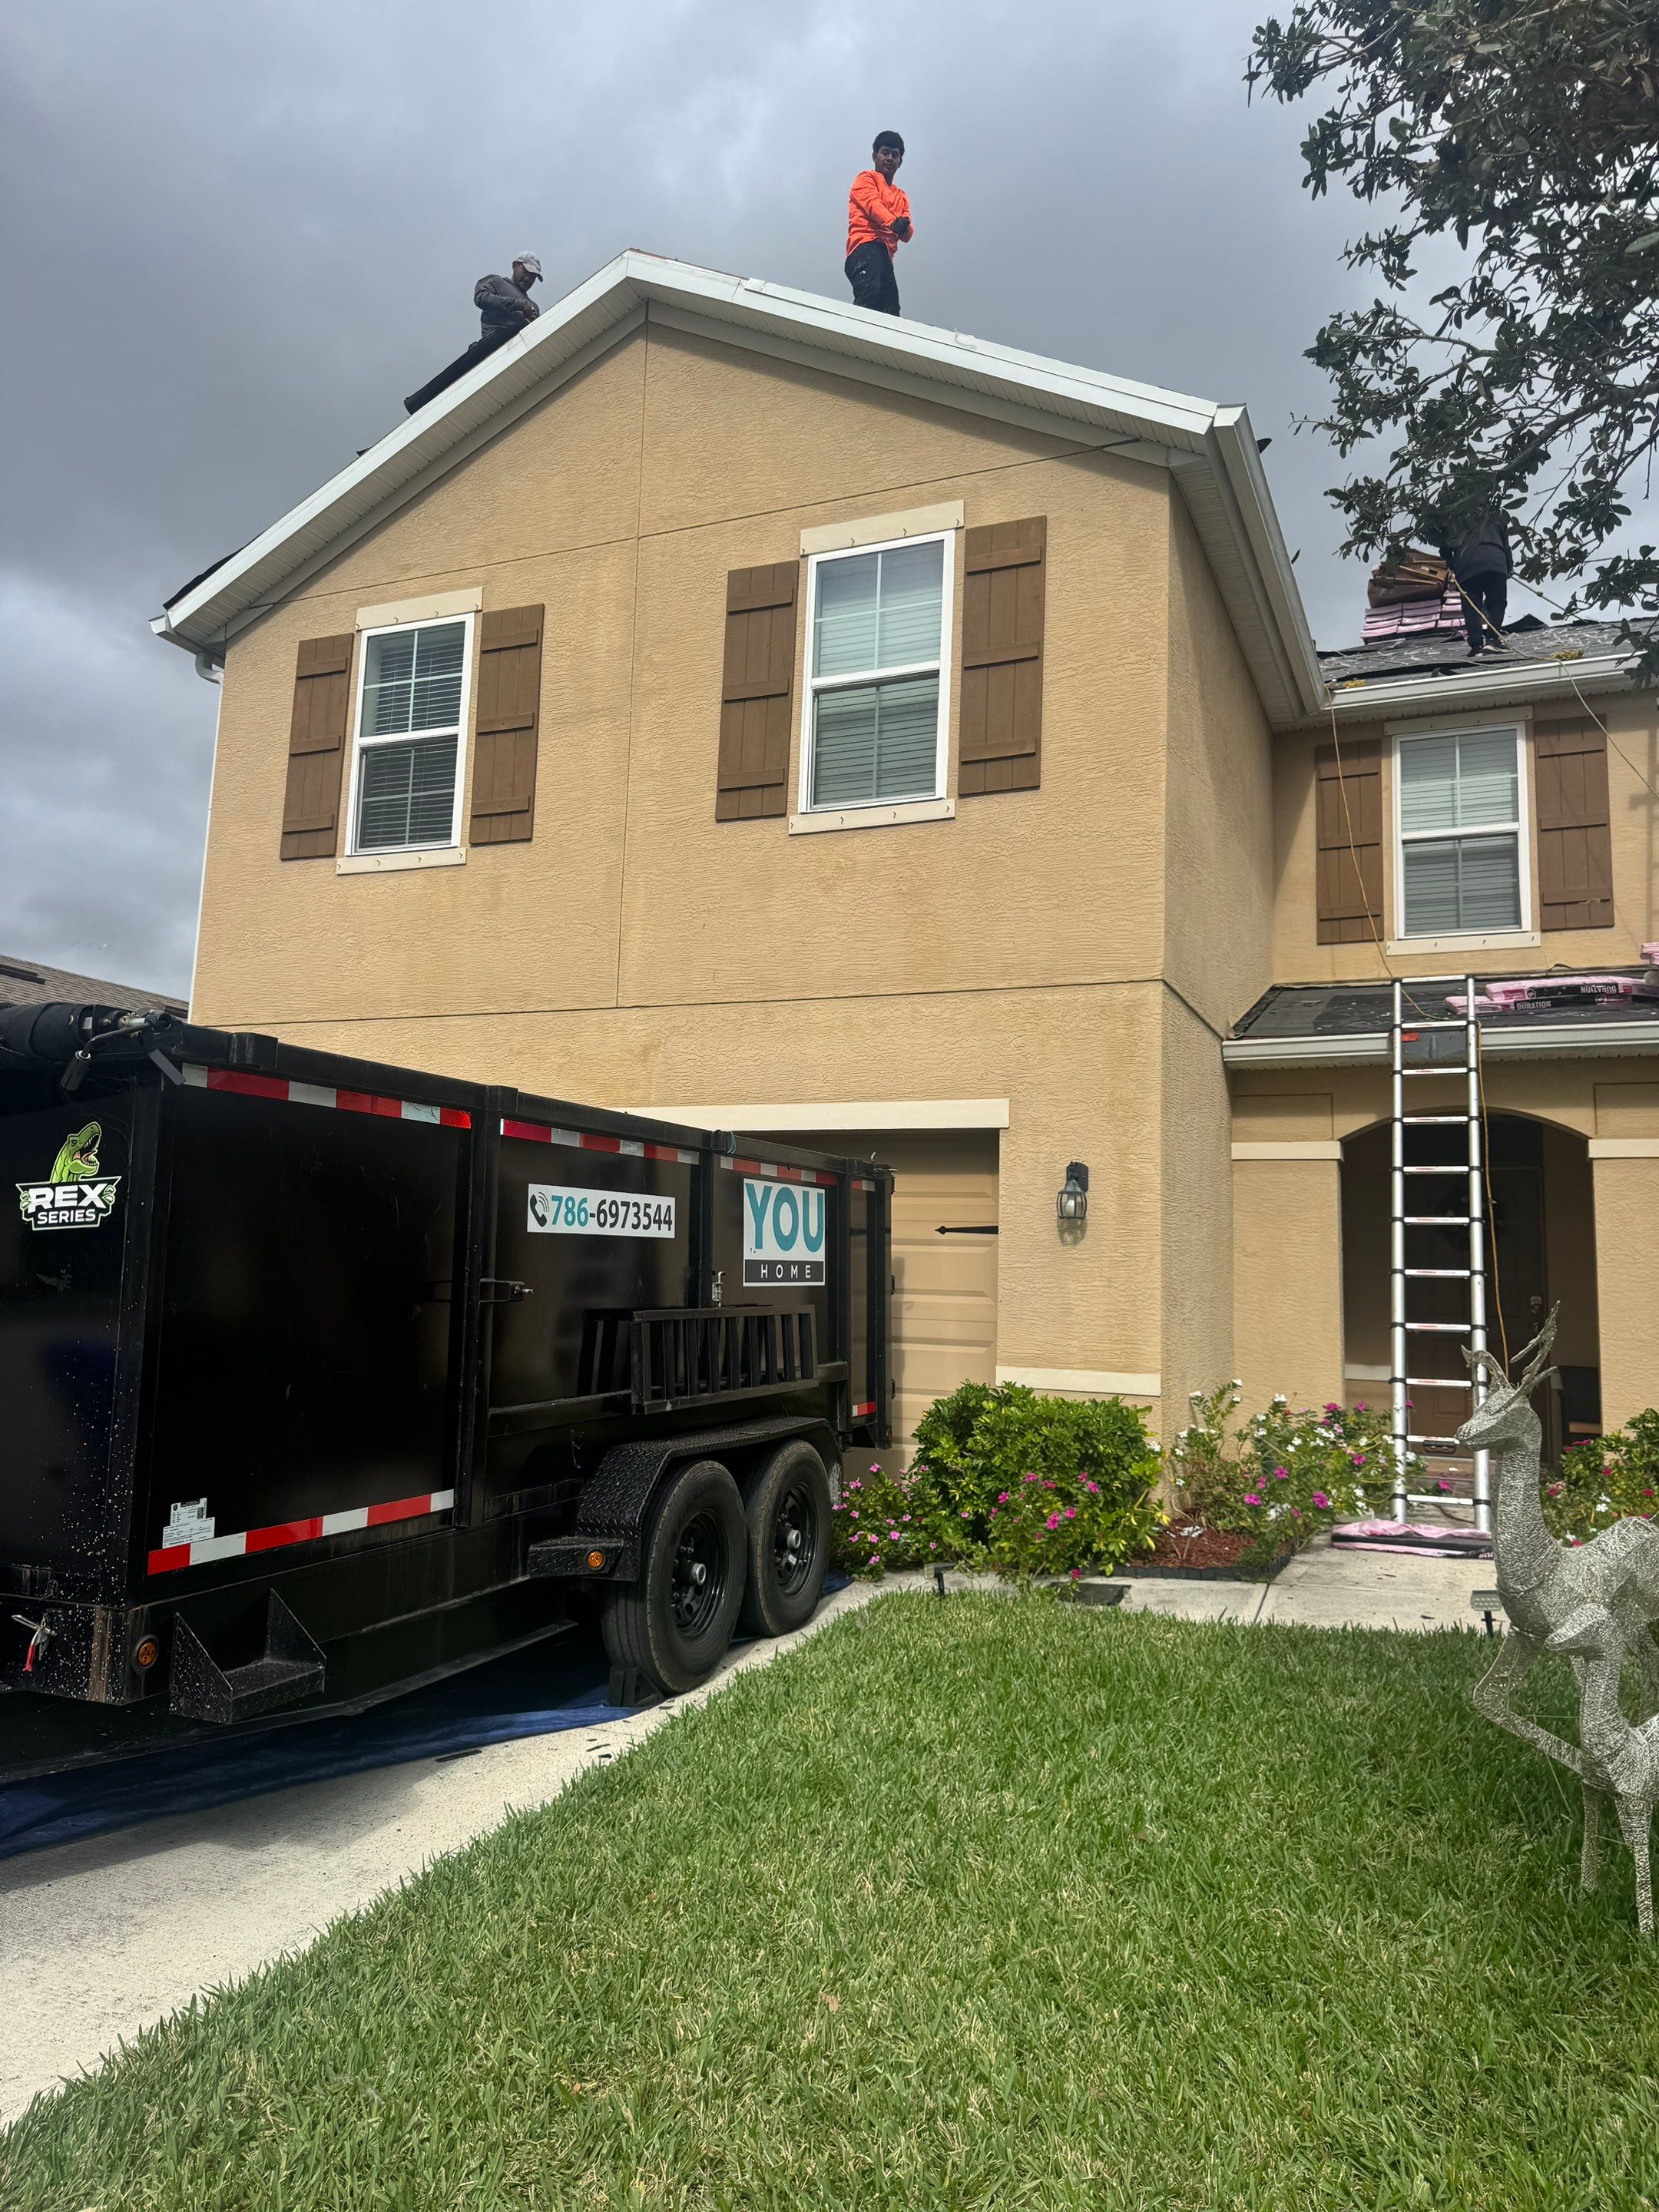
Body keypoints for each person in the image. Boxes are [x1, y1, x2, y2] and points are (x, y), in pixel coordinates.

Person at [404, 254, 543, 416]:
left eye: (533, 277)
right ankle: (420, 402)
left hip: (517, 349)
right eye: (526, 272)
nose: (528, 279)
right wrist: (517, 305)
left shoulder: (534, 306)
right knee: (457, 373)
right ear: (515, 266)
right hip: (495, 339)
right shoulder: (497, 281)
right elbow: (481, 298)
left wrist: (535, 320)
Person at [845, 132, 912, 315]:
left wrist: (903, 226)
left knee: (891, 308)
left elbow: (907, 233)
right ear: (875, 156)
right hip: (864, 246)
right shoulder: (866, 178)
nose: (890, 158)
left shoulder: (901, 196)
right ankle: (856, 338)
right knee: (870, 294)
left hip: (886, 256)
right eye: (885, 153)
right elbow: (873, 205)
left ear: (900, 162)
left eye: (895, 155)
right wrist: (893, 222)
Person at [1435, 500, 1512, 656]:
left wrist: (1452, 564)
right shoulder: (1495, 514)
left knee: (1472, 607)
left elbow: (1444, 547)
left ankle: (1477, 645)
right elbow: (1506, 545)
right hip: (1495, 562)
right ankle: (1492, 640)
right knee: (1497, 602)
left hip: (1467, 566)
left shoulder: (1455, 516)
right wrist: (1509, 567)